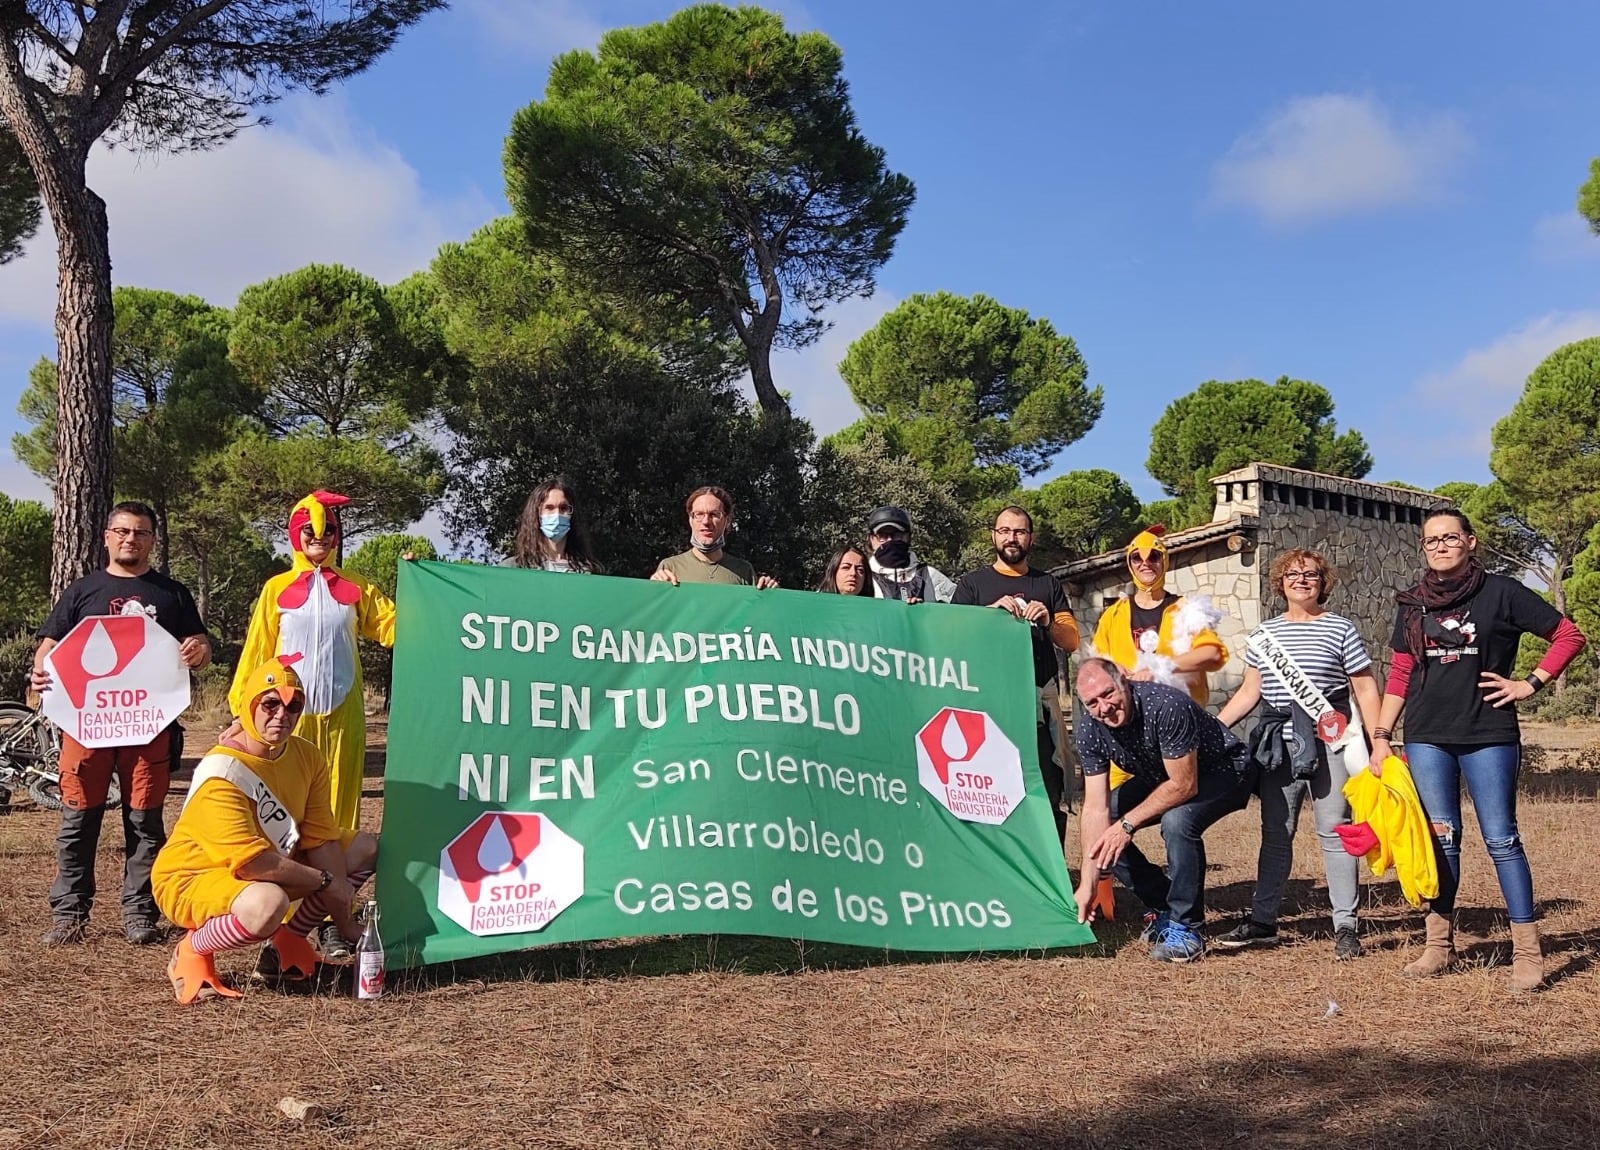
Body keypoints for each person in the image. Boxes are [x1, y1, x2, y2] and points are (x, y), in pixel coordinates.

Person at [1370, 509, 1587, 991]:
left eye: (1450, 537)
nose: (1440, 546)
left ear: (1470, 542)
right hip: (1427, 737)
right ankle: (1438, 946)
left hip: (1489, 734)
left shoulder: (1502, 592)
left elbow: (1569, 635)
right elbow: (1401, 673)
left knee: (1501, 840)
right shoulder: (1412, 605)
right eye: (1431, 541)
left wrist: (1531, 683)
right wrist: (1382, 737)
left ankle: (1528, 954)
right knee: (1441, 839)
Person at [31, 501, 213, 947]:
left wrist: (198, 650)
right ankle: (70, 914)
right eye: (123, 531)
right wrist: (39, 671)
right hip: (88, 727)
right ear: (108, 537)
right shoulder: (81, 590)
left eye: (141, 532)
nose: (131, 538)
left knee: (145, 825)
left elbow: (200, 646)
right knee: (77, 822)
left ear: (152, 540)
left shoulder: (172, 594)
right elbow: (50, 645)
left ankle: (140, 913)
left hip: (148, 729)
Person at [153, 657, 379, 1004]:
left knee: (364, 847)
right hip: (194, 875)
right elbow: (251, 864)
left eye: (293, 706)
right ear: (249, 705)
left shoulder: (307, 756)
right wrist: (327, 882)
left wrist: (343, 919)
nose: (282, 715)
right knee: (266, 904)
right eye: (270, 703)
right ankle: (191, 949)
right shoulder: (222, 770)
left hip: (272, 860)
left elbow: (321, 837)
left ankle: (286, 943)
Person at [1213, 548, 1382, 959]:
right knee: (1276, 834)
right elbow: (1251, 692)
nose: (1301, 580)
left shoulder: (1340, 628)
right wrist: (1214, 729)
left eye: (1310, 574)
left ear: (1323, 582)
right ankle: (1263, 922)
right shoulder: (1265, 634)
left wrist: (1380, 739)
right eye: (1292, 574)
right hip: (1279, 747)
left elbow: (1363, 686)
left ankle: (1346, 927)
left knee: (1334, 832)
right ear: (1280, 582)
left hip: (1332, 743)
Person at [231, 492, 395, 867]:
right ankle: (288, 894)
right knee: (288, 800)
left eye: (328, 531)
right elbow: (258, 650)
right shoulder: (276, 588)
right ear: (295, 533)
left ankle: (332, 902)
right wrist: (243, 710)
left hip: (343, 715)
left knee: (339, 805)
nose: (319, 538)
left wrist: (423, 584)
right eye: (309, 531)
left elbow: (393, 625)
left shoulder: (357, 587)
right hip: (289, 714)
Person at [1073, 658, 1255, 962]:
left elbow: (1185, 786)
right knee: (1109, 822)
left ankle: (1188, 930)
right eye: (1092, 702)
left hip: (1225, 769)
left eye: (1108, 694)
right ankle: (1165, 906)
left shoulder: (1165, 705)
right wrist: (1088, 883)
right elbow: (1094, 808)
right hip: (1162, 776)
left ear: (1124, 682)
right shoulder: (1090, 729)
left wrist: (1126, 826)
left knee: (1177, 822)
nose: (1103, 707)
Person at [951, 506, 1080, 843]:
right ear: (993, 535)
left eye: (1019, 531)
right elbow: (948, 636)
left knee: (1048, 793)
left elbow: (1072, 641)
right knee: (992, 795)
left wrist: (1049, 621)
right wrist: (988, 615)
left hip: (1040, 706)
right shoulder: (972, 585)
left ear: (1031, 538)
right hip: (989, 707)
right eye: (1005, 530)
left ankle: (1052, 877)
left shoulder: (1047, 583)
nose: (1012, 538)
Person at [1091, 526, 1225, 706]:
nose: (1145, 563)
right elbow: (1096, 660)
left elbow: (1212, 653)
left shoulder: (1186, 609)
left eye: (1153, 556)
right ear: (1130, 564)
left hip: (1178, 712)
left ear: (1164, 561)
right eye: (1137, 557)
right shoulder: (1113, 614)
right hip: (1130, 715)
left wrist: (1161, 669)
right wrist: (1112, 668)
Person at [651, 485, 778, 588]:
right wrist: (652, 588)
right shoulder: (670, 567)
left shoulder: (744, 571)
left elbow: (757, 614)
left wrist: (772, 594)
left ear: (727, 521)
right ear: (690, 520)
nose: (706, 521)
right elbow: (655, 612)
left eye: (714, 514)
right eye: (699, 514)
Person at [510, 476, 602, 573]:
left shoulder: (591, 571)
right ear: (536, 513)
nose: (557, 514)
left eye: (563, 508)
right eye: (549, 508)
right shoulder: (513, 568)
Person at [864, 505, 954, 603]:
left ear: (908, 537)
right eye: (882, 535)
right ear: (871, 539)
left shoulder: (930, 576)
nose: (890, 540)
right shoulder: (864, 578)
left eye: (896, 534)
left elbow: (960, 606)